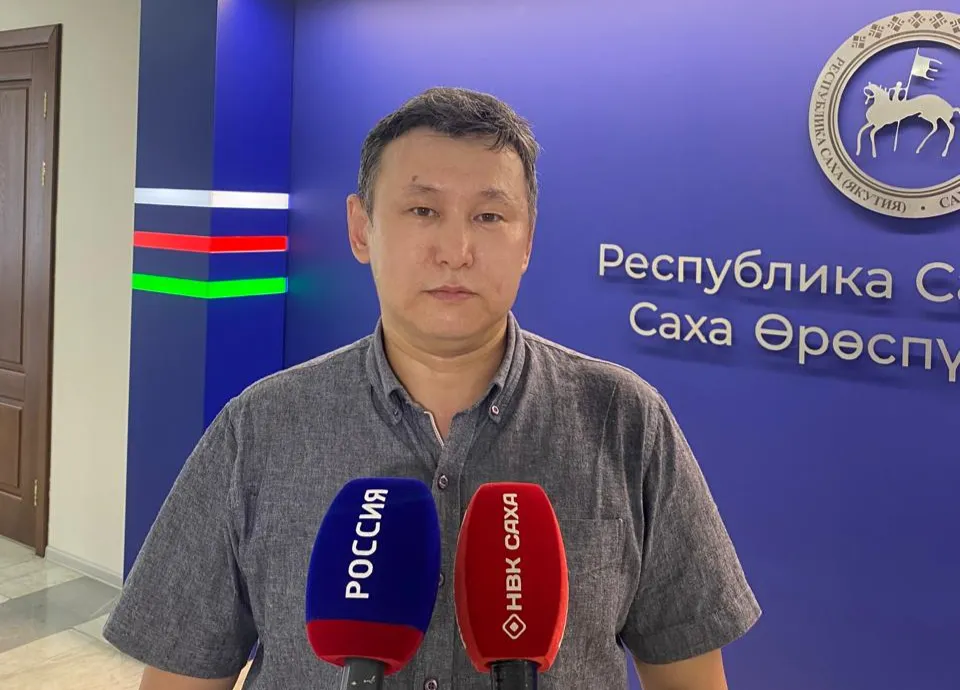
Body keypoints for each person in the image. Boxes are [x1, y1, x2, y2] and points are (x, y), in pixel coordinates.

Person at [104, 86, 761, 689]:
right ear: (361, 228)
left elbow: (690, 674)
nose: (455, 250)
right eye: (422, 209)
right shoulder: (260, 427)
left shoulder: (625, 420)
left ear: (528, 240)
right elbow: (183, 675)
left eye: (489, 216)